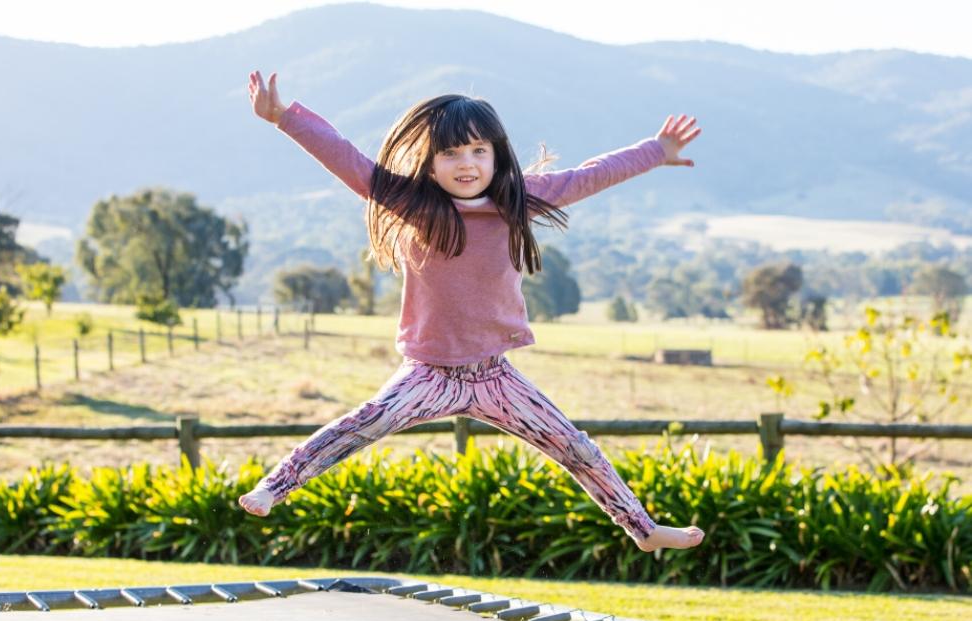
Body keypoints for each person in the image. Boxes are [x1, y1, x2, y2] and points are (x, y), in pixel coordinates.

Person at [239, 70, 704, 553]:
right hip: (428, 373)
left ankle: (643, 531)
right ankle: (275, 486)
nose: (467, 163)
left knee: (575, 447)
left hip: (495, 376)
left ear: (496, 156)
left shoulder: (519, 201)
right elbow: (348, 160)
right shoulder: (414, 205)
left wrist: (656, 151)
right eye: (452, 153)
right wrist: (282, 117)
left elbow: (590, 175)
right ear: (431, 163)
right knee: (364, 423)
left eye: (479, 150)